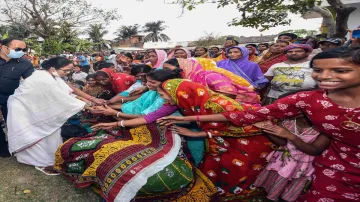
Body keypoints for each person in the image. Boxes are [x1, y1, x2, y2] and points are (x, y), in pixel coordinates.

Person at [161, 47, 360, 202]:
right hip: (334, 167)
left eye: (340, 70)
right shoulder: (308, 99)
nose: (324, 76)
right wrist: (188, 119)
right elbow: (250, 115)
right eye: (317, 70)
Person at [126, 79, 272, 201]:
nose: (162, 98)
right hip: (222, 141)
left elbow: (247, 126)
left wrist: (197, 134)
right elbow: (152, 117)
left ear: (181, 94)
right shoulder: (188, 103)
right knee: (215, 168)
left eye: (163, 95)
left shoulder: (219, 104)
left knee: (236, 170)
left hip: (250, 142)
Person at [7, 57, 88, 167]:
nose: (68, 73)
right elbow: (62, 97)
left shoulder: (54, 76)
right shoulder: (43, 78)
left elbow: (69, 91)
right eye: (66, 70)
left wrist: (89, 100)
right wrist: (87, 105)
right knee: (33, 133)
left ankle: (50, 156)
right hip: (23, 109)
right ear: (52, 68)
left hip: (35, 108)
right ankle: (34, 158)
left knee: (49, 133)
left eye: (70, 71)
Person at [253, 94, 329, 202]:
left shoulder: (324, 129)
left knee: (290, 191)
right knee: (273, 183)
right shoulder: (286, 121)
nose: (284, 112)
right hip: (282, 161)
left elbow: (314, 150)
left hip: (302, 166)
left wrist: (291, 136)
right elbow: (283, 143)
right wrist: (267, 129)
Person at [163, 58, 260, 105]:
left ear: (183, 67)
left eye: (167, 68)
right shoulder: (182, 80)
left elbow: (230, 94)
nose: (164, 72)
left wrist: (202, 103)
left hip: (240, 105)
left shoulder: (208, 75)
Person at [0, 38, 34, 157]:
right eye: (18, 49)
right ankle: (2, 148)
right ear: (4, 47)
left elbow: (33, 82)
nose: (21, 52)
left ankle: (17, 147)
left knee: (15, 123)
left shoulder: (25, 64)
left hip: (11, 98)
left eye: (24, 49)